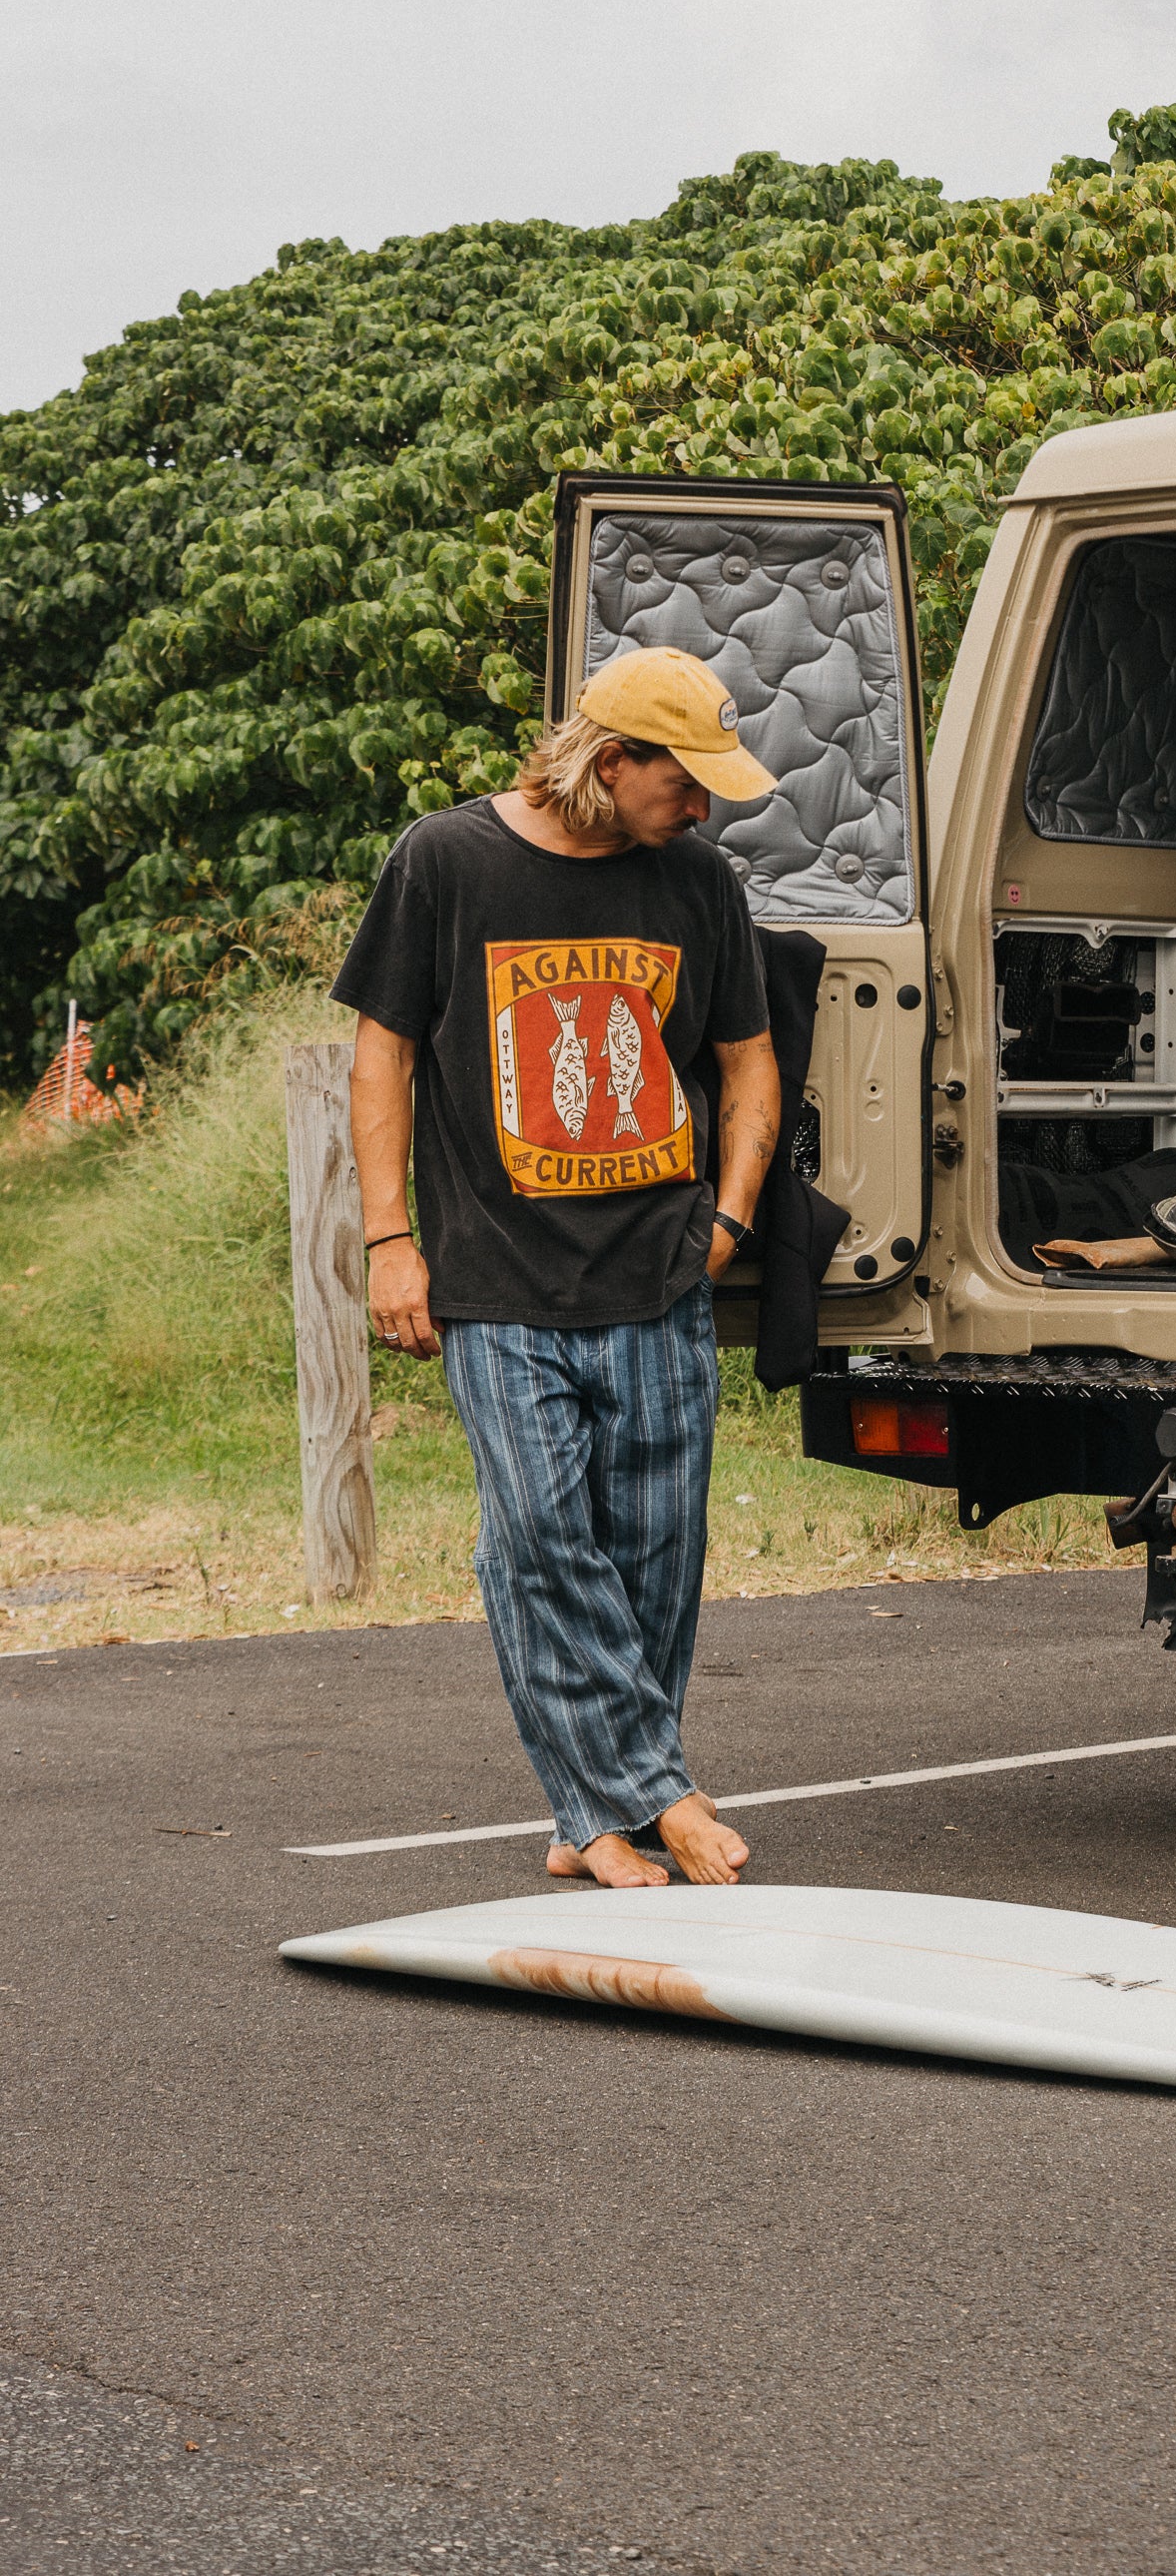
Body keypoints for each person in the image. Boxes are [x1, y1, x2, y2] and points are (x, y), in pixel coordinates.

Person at [331, 647, 785, 1890]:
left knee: (654, 1552)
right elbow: (382, 1057)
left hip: (658, 1272)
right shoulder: (446, 859)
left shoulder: (695, 880)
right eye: (681, 782)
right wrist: (388, 1243)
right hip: (495, 1273)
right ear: (607, 760)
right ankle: (659, 1790)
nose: (700, 807)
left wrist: (730, 1221)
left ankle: (595, 1814)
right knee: (536, 1534)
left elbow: (747, 1061)